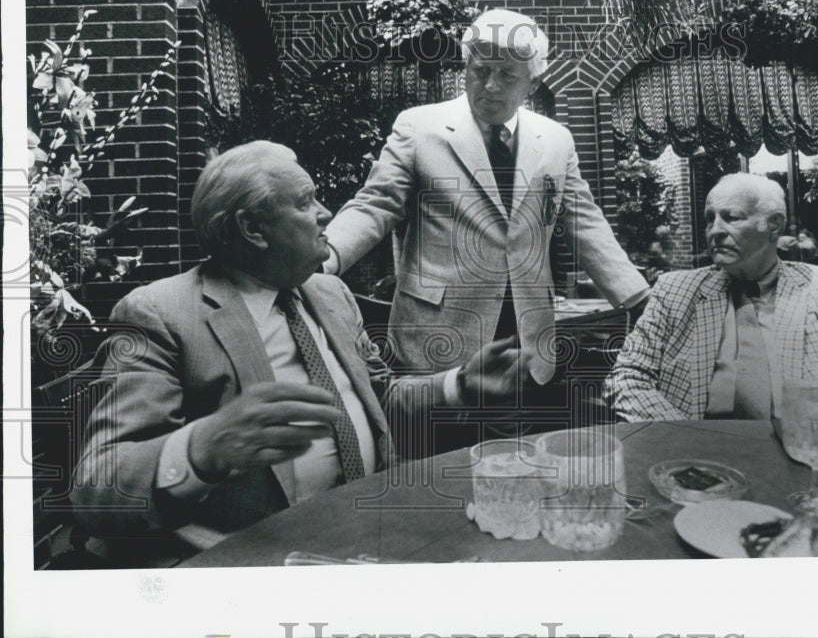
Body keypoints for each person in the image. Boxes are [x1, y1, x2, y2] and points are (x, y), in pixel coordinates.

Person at [70, 141, 533, 548]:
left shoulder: (329, 293)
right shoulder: (161, 313)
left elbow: (380, 398)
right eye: (306, 200)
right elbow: (98, 489)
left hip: (368, 534)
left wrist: (458, 386)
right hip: (245, 568)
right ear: (253, 228)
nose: (326, 213)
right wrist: (199, 449)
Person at [322, 9, 649, 436]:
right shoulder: (420, 128)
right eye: (481, 71)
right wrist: (322, 257)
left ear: (532, 81)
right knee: (438, 467)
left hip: (528, 344)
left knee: (523, 469)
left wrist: (638, 296)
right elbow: (375, 205)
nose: (491, 86)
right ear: (466, 66)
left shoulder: (555, 140)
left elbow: (584, 222)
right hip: (437, 338)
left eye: (507, 76)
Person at [604, 173, 818, 441]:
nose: (715, 230)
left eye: (731, 217)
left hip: (798, 460)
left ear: (774, 225)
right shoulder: (675, 290)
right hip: (692, 461)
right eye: (710, 218)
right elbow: (628, 375)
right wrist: (688, 437)